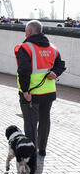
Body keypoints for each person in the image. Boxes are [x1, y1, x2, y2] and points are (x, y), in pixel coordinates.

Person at [14, 20, 66, 157]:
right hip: (48, 92)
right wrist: (55, 72)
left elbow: (24, 71)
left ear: (29, 32)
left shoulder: (25, 47)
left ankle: (31, 152)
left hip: (31, 93)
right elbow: (61, 65)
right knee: (44, 121)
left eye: (26, 31)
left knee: (30, 123)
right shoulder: (52, 48)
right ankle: (42, 149)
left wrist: (25, 91)